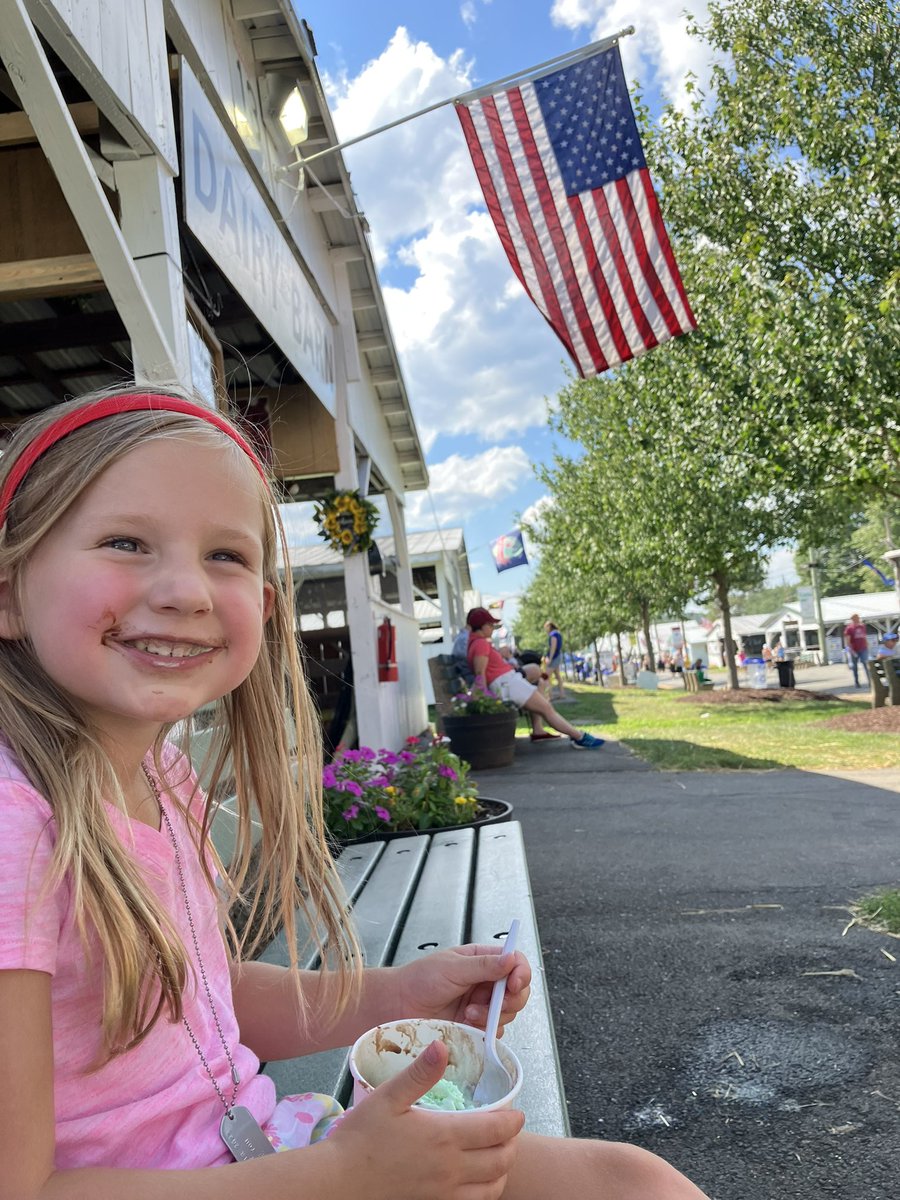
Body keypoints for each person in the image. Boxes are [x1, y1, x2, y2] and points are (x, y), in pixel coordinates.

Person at [0, 390, 710, 1200]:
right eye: (126, 542)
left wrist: (395, 995)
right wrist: (336, 1178)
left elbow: (199, 996)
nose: (187, 591)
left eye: (226, 556)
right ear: (9, 590)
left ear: (265, 609)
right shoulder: (16, 831)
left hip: (263, 1153)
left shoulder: (163, 776)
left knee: (630, 1182)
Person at [468, 608, 604, 749]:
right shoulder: (481, 644)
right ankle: (579, 738)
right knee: (547, 709)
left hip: (508, 682)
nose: (492, 628)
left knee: (543, 699)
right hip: (508, 684)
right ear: (481, 626)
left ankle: (569, 735)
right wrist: (483, 699)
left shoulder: (476, 643)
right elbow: (480, 673)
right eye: (490, 624)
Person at [843, 612, 871, 687]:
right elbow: (848, 641)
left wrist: (867, 645)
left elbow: (864, 637)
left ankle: (870, 682)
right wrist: (851, 651)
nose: (857, 619)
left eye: (858, 618)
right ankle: (857, 682)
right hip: (854, 649)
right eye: (855, 618)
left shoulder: (862, 626)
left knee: (866, 664)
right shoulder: (849, 628)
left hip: (863, 648)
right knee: (855, 667)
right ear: (852, 619)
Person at [543, 620, 565, 699]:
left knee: (546, 676)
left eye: (546, 627)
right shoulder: (558, 633)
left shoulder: (553, 634)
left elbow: (553, 647)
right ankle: (562, 694)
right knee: (558, 676)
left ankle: (549, 696)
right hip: (558, 656)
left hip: (554, 657)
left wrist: (550, 659)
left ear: (549, 626)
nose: (546, 629)